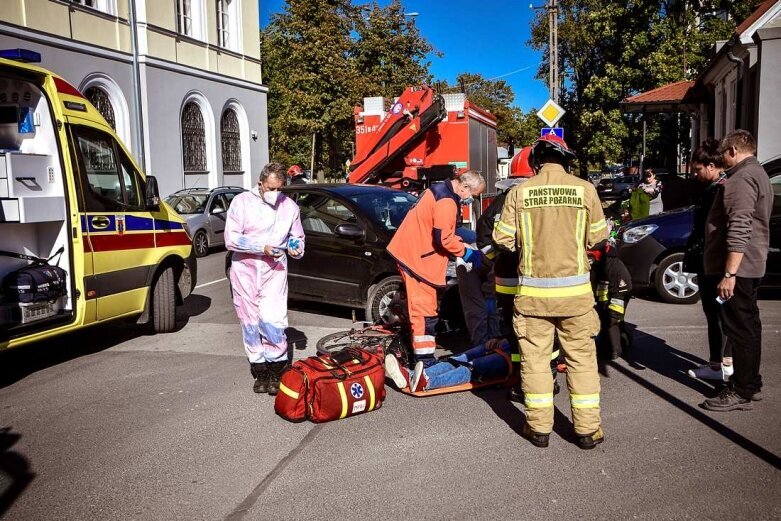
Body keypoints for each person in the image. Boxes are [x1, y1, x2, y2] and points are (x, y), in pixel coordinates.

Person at [493, 134, 608, 450]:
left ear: (535, 163)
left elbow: (502, 239)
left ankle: (539, 429)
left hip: (533, 299)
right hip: (576, 298)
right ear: (566, 161)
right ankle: (587, 431)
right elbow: (599, 237)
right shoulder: (585, 189)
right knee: (581, 361)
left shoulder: (520, 192)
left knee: (535, 363)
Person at [701, 130, 772, 411]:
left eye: (723, 154)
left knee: (739, 327)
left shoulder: (741, 179)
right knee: (749, 326)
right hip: (750, 264)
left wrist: (729, 274)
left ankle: (742, 389)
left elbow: (739, 227)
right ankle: (750, 383)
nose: (722, 159)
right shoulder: (758, 172)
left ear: (732, 150)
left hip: (738, 268)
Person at [387, 171, 486, 368]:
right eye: (473, 195)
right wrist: (467, 254)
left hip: (413, 254)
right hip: (418, 260)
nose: (471, 199)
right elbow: (444, 239)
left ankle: (414, 352)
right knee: (425, 312)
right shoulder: (447, 201)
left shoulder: (440, 191)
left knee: (421, 309)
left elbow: (444, 231)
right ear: (464, 188)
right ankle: (424, 361)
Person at [225, 163, 305, 395]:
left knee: (273, 322)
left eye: (279, 189)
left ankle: (277, 371)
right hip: (245, 272)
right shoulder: (241, 203)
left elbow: (297, 236)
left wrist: (296, 248)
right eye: (270, 188)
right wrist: (262, 248)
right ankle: (260, 371)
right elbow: (231, 239)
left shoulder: (289, 207)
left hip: (274, 272)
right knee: (250, 324)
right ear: (260, 184)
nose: (274, 194)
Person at [683, 139, 731, 382]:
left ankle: (721, 365)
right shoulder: (714, 188)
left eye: (698, 169)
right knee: (713, 313)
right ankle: (718, 363)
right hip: (708, 259)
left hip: (714, 261)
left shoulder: (722, 189)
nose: (695, 174)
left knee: (718, 315)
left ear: (711, 166)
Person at [384, 337, 512, 393]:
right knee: (457, 359)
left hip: (513, 358)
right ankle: (410, 377)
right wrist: (499, 338)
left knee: (472, 366)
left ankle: (428, 382)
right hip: (507, 345)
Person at [589, 242, 632, 361]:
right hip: (602, 299)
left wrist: (613, 314)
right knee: (604, 323)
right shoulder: (595, 264)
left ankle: (617, 348)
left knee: (612, 322)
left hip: (617, 297)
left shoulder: (614, 265)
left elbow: (623, 289)